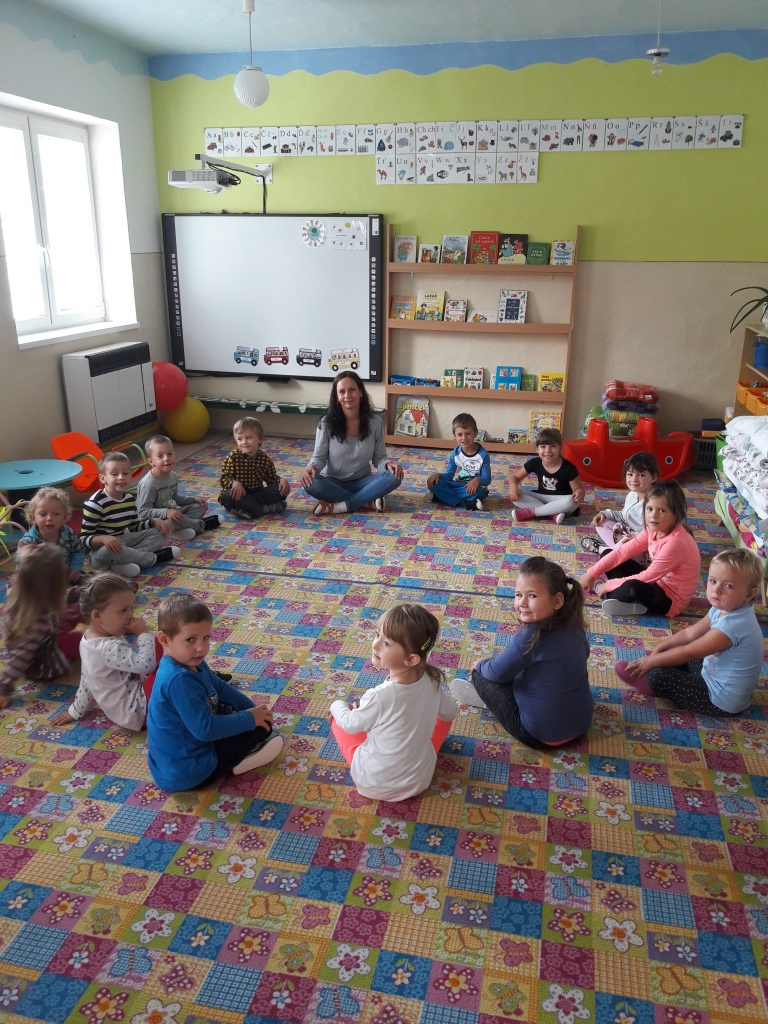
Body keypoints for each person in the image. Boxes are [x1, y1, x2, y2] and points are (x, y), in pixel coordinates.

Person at [450, 557, 593, 748]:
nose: (522, 603)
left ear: (557, 600)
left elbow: (496, 673)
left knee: (481, 674)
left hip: (539, 735)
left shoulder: (530, 636)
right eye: (518, 595)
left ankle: (489, 702)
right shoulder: (575, 624)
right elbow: (585, 653)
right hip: (581, 725)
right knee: (524, 669)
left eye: (532, 596)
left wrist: (482, 663)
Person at [147, 593, 283, 790]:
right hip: (191, 771)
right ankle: (243, 761)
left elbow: (218, 686)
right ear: (164, 639)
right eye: (190, 639)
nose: (201, 647)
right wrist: (249, 718)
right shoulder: (179, 680)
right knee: (263, 728)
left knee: (247, 715)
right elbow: (206, 730)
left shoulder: (186, 662)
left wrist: (248, 708)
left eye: (206, 638)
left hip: (170, 765)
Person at [329, 603, 458, 801]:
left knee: (338, 720)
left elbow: (350, 724)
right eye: (377, 635)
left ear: (411, 659)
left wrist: (337, 704)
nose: (375, 645)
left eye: (386, 643)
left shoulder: (378, 696)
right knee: (442, 716)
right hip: (419, 780)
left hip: (374, 783)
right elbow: (450, 713)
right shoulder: (432, 681)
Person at [615, 548, 764, 716]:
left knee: (659, 675)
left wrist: (652, 661)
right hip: (715, 677)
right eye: (713, 581)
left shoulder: (734, 626)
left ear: (749, 594)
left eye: (728, 586)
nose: (716, 590)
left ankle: (650, 684)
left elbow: (689, 652)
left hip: (720, 700)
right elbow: (689, 634)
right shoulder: (725, 607)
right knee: (675, 651)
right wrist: (660, 648)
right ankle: (664, 668)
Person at [50, 572, 160, 731]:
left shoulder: (88, 640)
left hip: (127, 708)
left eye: (131, 609)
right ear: (97, 616)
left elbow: (86, 679)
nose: (130, 616)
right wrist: (143, 634)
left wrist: (75, 711)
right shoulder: (108, 648)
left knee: (160, 643)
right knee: (170, 670)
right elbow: (146, 665)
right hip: (139, 711)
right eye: (123, 610)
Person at [579, 480, 700, 617]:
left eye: (662, 510)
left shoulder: (677, 542)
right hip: (655, 581)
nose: (653, 516)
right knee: (608, 553)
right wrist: (591, 573)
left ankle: (612, 593)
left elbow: (648, 577)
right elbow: (623, 552)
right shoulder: (652, 529)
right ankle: (620, 597)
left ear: (676, 514)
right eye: (649, 509)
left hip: (670, 600)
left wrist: (608, 585)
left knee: (632, 587)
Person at [300, 371, 404, 515]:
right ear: (337, 397)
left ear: (360, 392)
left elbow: (379, 457)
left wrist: (387, 465)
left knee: (394, 476)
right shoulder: (325, 423)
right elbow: (319, 457)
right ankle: (366, 501)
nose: (347, 395)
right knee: (311, 482)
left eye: (352, 390)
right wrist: (312, 467)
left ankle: (342, 505)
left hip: (363, 482)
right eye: (342, 392)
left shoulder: (375, 422)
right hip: (332, 482)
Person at [0, 545, 80, 707]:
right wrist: (4, 689)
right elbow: (19, 659)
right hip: (43, 666)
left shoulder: (17, 588)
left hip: (41, 641)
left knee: (74, 610)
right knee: (81, 638)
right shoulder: (36, 623)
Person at [81, 451, 179, 578]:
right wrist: (104, 539)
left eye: (125, 473)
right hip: (99, 552)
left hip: (122, 542)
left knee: (159, 532)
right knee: (108, 551)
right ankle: (152, 558)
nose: (121, 477)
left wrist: (153, 521)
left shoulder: (129, 499)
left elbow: (133, 526)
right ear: (102, 478)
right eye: (114, 474)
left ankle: (123, 562)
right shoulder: (94, 504)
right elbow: (84, 540)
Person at [137, 434, 220, 539]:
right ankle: (201, 525)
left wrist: (193, 499)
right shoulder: (148, 484)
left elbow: (175, 498)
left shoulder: (173, 476)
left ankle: (180, 527)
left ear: (175, 455)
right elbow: (143, 512)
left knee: (200, 506)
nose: (166, 458)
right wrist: (166, 512)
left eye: (169, 454)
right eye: (160, 456)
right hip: (155, 522)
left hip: (173, 513)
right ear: (151, 461)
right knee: (174, 520)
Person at [581, 451, 659, 555]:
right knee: (601, 522)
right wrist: (605, 513)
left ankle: (604, 551)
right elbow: (624, 516)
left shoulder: (655, 503)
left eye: (641, 475)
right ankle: (614, 550)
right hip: (629, 534)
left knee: (627, 543)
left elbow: (655, 532)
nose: (634, 479)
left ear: (653, 477)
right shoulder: (632, 494)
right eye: (630, 474)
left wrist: (635, 537)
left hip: (644, 544)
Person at [218, 417, 291, 520]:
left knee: (280, 490)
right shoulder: (233, 457)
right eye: (240, 439)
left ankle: (251, 508)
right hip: (237, 495)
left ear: (260, 439)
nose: (244, 442)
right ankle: (262, 508)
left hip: (256, 493)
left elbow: (271, 479)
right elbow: (224, 478)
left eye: (249, 438)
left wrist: (282, 480)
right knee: (231, 495)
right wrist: (234, 483)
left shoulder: (264, 459)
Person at [508, 427, 584, 524]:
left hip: (561, 500)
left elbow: (578, 489)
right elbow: (514, 477)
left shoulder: (569, 468)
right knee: (516, 497)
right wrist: (513, 488)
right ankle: (553, 514)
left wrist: (579, 493)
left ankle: (533, 512)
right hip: (542, 497)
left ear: (560, 448)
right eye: (543, 446)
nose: (547, 450)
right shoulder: (535, 463)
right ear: (537, 449)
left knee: (572, 501)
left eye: (553, 446)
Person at [16, 486, 85, 583]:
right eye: (43, 514)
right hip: (39, 581)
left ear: (65, 517)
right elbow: (22, 568)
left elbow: (77, 551)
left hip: (66, 577)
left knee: (86, 583)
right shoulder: (29, 541)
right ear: (33, 518)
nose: (49, 518)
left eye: (56, 514)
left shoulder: (69, 533)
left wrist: (75, 567)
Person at [427, 413, 492, 511]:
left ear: (475, 433)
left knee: (477, 492)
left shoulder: (483, 455)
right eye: (460, 434)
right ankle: (465, 503)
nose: (464, 438)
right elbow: (449, 476)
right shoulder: (455, 454)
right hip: (458, 484)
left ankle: (442, 497)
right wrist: (438, 475)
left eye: (468, 434)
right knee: (434, 484)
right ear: (454, 435)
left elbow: (487, 479)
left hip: (476, 488)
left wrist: (477, 480)